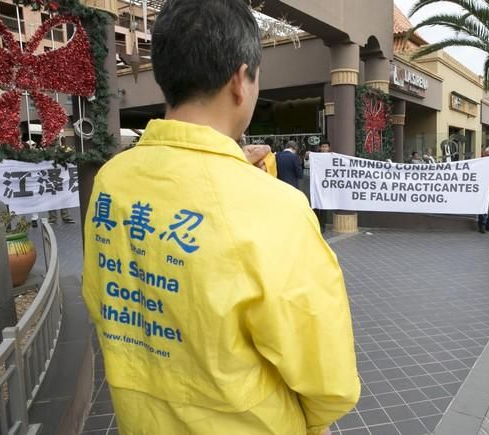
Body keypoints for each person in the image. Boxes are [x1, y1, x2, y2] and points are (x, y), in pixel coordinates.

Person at [81, 2, 360, 434]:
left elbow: (100, 296)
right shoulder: (275, 208)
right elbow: (327, 376)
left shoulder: (113, 180)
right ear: (239, 80)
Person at [314, 140, 331, 233]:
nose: (324, 148)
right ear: (320, 148)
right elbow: (307, 161)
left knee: (323, 207)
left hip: (326, 186)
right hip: (316, 186)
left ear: (329, 148)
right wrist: (307, 156)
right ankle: (316, 224)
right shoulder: (315, 157)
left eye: (326, 146)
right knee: (315, 206)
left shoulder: (332, 157)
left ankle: (323, 225)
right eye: (323, 146)